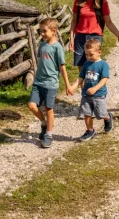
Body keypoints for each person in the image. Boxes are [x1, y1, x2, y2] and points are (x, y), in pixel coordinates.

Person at [28, 17, 74, 148]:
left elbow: (62, 67)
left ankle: (49, 134)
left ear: (54, 31)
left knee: (49, 108)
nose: (41, 34)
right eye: (40, 32)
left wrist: (68, 85)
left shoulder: (57, 48)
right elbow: (40, 63)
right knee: (31, 105)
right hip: (38, 82)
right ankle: (43, 123)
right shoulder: (42, 45)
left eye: (44, 31)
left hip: (51, 83)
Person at [68, 0, 119, 72]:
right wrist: (71, 39)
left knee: (93, 69)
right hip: (80, 38)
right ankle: (83, 87)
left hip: (94, 38)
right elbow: (74, 21)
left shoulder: (102, 3)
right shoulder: (78, 2)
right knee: (82, 70)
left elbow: (109, 22)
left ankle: (94, 87)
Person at [69, 38, 114, 141]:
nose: (88, 57)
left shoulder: (103, 65)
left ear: (99, 52)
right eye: (86, 55)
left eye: (91, 55)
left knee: (101, 114)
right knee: (87, 113)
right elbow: (81, 77)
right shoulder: (86, 64)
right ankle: (90, 130)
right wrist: (74, 86)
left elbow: (104, 79)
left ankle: (108, 118)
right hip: (86, 95)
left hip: (99, 95)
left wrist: (95, 88)